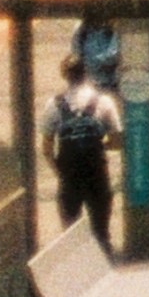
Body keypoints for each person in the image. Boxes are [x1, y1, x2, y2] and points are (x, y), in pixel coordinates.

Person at [45, 70, 122, 249]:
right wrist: (101, 146)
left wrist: (58, 171)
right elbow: (117, 141)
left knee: (71, 230)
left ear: (64, 75)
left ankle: (79, 269)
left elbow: (46, 148)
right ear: (85, 73)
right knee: (101, 230)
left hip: (69, 175)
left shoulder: (54, 104)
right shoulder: (103, 101)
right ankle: (105, 260)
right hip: (96, 173)